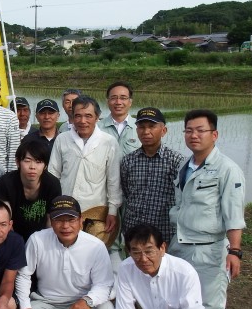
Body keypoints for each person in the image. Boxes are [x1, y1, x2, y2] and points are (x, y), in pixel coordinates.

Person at [169, 109, 245, 309]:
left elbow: (234, 215)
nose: (194, 135)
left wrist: (234, 251)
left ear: (214, 134)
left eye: (200, 130)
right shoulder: (185, 166)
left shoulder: (227, 169)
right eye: (189, 130)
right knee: (182, 304)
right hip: (181, 248)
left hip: (209, 250)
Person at [15, 196, 116, 309]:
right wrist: (25, 308)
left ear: (81, 221)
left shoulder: (96, 246)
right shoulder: (37, 240)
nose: (65, 226)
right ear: (51, 221)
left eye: (71, 219)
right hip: (48, 301)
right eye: (59, 220)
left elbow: (104, 283)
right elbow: (24, 275)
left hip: (80, 304)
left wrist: (88, 300)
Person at [48, 95, 121, 247]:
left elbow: (114, 180)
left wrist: (112, 211)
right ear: (72, 117)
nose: (82, 121)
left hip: (95, 211)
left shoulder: (109, 142)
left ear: (97, 117)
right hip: (65, 209)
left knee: (92, 253)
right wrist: (51, 209)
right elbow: (53, 175)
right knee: (63, 250)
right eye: (78, 116)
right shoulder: (63, 139)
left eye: (88, 116)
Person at [120, 107, 184, 239]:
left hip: (163, 231)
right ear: (136, 130)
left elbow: (182, 198)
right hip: (133, 229)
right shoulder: (128, 161)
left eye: (152, 126)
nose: (146, 131)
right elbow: (127, 192)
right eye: (141, 127)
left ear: (163, 130)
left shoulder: (176, 161)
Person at [0, 138, 62, 244]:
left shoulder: (52, 184)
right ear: (18, 162)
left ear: (45, 165)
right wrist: (15, 244)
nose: (32, 167)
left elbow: (51, 221)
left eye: (38, 162)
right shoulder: (6, 182)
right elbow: (4, 219)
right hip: (12, 237)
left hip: (42, 238)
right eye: (27, 161)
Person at [100, 81, 140, 155]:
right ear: (107, 101)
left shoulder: (140, 127)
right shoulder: (97, 128)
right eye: (113, 98)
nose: (118, 102)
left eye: (123, 98)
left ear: (130, 102)